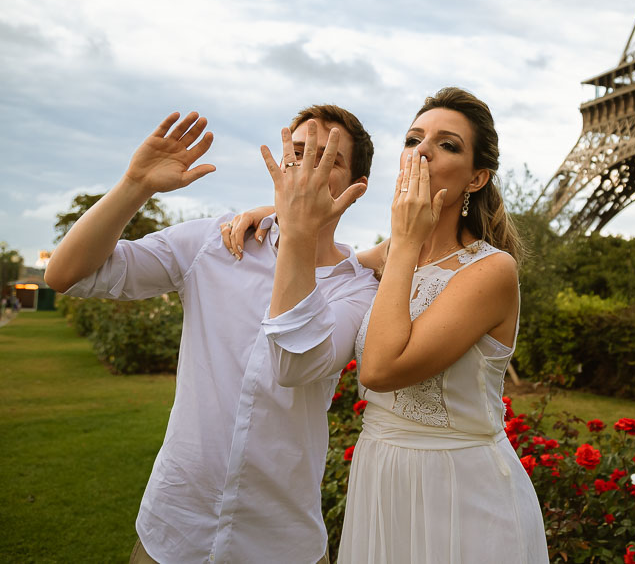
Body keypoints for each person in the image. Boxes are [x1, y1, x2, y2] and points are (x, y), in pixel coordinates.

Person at [225, 87, 547, 563]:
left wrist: (405, 239)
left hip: (460, 487)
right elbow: (332, 256)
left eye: (448, 144)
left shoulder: (491, 271)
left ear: (477, 177)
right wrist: (279, 215)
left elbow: (377, 368)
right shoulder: (386, 255)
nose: (423, 151)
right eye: (413, 138)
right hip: (382, 476)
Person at [44, 106, 379, 563]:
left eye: (328, 158)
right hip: (172, 531)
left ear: (356, 188)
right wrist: (134, 186)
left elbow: (296, 362)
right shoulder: (213, 242)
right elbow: (67, 275)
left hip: (281, 544)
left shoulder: (357, 288)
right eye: (297, 152)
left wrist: (297, 231)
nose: (306, 166)